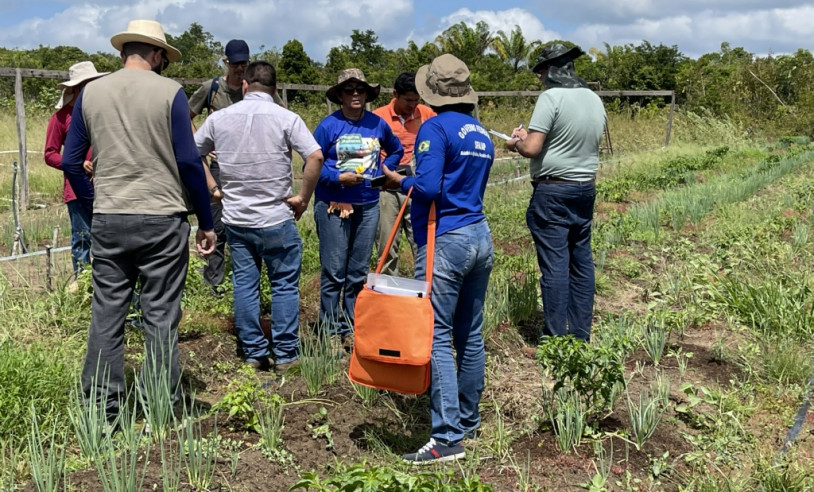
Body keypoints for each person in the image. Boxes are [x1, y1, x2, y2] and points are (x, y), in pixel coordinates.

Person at [62, 19, 216, 425]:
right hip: (162, 218)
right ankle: (157, 407)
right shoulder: (171, 93)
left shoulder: (92, 92)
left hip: (110, 217)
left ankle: (102, 412)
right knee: (160, 314)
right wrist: (206, 220)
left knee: (107, 312)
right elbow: (187, 161)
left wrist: (97, 200)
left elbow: (70, 161)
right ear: (157, 53)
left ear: (122, 52)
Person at [383, 54, 494, 464]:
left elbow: (428, 188)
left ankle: (446, 438)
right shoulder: (481, 133)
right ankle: (467, 418)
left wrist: (400, 179)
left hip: (445, 239)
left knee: (437, 334)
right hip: (479, 234)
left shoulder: (433, 129)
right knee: (470, 332)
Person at [194, 61, 324, 372]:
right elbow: (316, 156)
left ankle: (253, 351)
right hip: (276, 217)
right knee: (283, 285)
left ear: (244, 86)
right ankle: (286, 353)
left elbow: (190, 153)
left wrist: (213, 186)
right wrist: (303, 198)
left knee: (245, 284)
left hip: (237, 218)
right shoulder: (286, 117)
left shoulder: (219, 119)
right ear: (275, 89)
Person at [506, 43, 607, 345]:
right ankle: (579, 335)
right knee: (581, 262)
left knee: (555, 265)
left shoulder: (550, 97)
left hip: (553, 190)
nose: (540, 78)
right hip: (585, 188)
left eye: (540, 71)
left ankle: (554, 338)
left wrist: (517, 142)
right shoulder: (594, 99)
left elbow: (533, 148)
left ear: (550, 70)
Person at [313, 68, 403, 346]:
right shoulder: (329, 126)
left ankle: (351, 326)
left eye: (360, 90)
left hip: (368, 204)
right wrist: (337, 178)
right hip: (334, 204)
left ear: (367, 94)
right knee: (334, 270)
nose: (355, 94)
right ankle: (329, 330)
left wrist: (385, 169)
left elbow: (397, 148)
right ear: (340, 95)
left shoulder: (377, 124)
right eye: (349, 90)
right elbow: (312, 164)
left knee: (357, 271)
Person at [188, 39, 286, 292]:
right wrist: (203, 141)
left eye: (244, 63)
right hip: (220, 167)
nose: (240, 68)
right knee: (217, 225)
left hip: (256, 167)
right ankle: (215, 284)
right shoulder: (212, 88)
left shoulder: (263, 91)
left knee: (257, 222)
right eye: (236, 64)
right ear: (226, 63)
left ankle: (256, 280)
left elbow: (284, 116)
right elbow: (185, 117)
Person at [44, 61, 108, 277]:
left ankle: (104, 285)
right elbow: (49, 154)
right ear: (76, 88)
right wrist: (77, 163)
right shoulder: (61, 118)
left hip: (109, 184)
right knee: (82, 238)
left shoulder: (104, 113)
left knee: (108, 237)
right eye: (87, 84)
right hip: (77, 187)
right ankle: (82, 285)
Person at [372, 72, 435, 276]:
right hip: (387, 187)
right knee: (386, 243)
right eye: (408, 100)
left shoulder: (426, 114)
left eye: (417, 100)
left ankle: (425, 286)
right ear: (395, 94)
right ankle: (390, 290)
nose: (413, 105)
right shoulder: (377, 117)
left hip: (415, 184)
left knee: (422, 241)